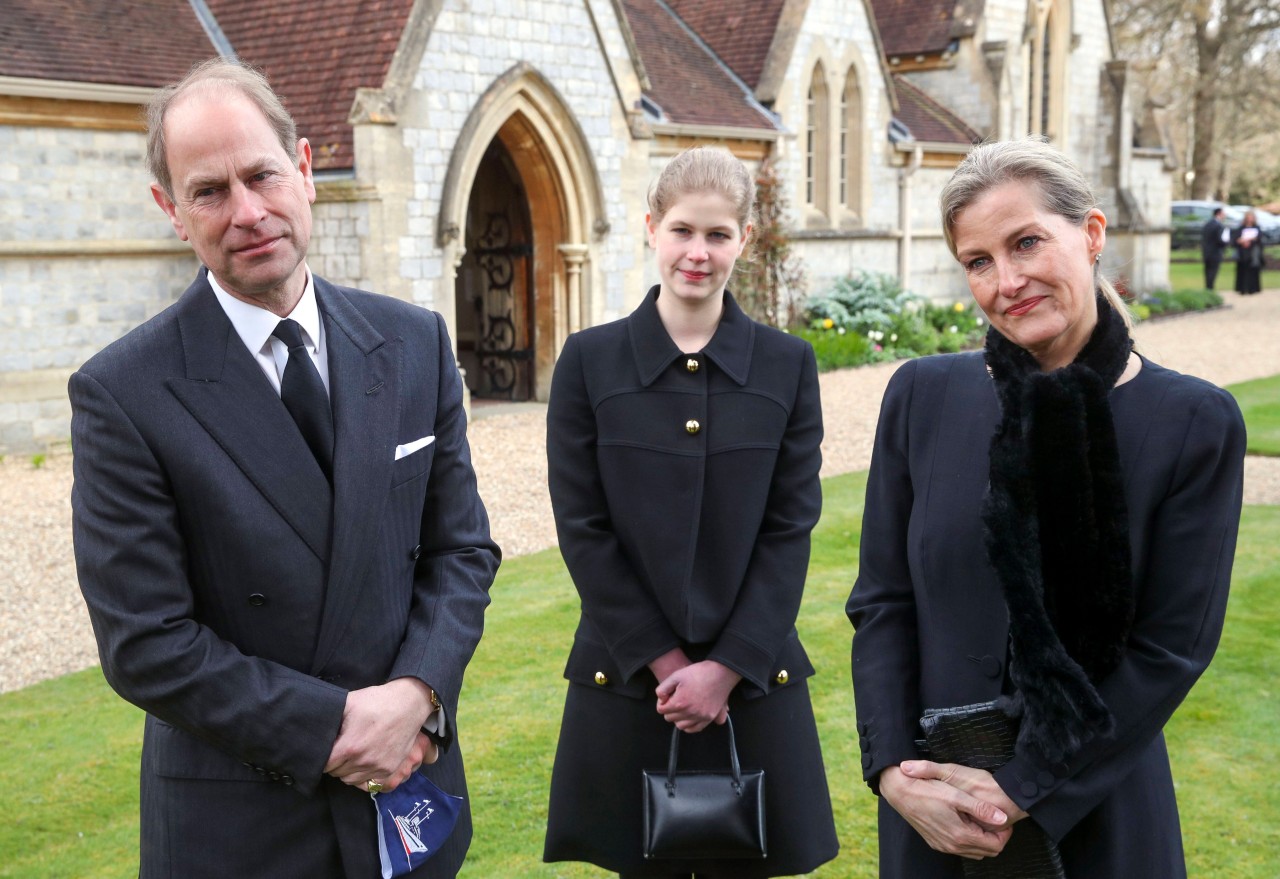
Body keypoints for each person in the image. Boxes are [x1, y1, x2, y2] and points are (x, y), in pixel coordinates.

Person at [69, 59, 499, 879]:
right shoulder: (123, 391)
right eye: (209, 191)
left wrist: (417, 696)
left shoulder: (412, 342)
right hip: (242, 828)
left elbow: (462, 553)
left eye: (262, 174)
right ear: (171, 211)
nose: (247, 211)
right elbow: (146, 643)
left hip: (409, 797)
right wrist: (334, 727)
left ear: (304, 169)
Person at [846, 139, 1245, 877]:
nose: (1008, 280)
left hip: (1097, 812)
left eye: (1027, 241)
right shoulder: (922, 397)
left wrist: (1021, 787)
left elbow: (1170, 648)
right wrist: (894, 770)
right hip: (935, 816)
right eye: (979, 261)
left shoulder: (1194, 420)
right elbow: (882, 602)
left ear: (1091, 234)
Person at [543, 146, 840, 878]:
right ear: (651, 228)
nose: (697, 253)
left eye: (717, 234)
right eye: (681, 230)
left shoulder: (788, 363)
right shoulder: (587, 361)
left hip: (753, 684)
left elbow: (788, 528)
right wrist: (669, 662)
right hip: (631, 683)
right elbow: (583, 528)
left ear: (744, 238)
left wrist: (727, 667)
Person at [1232, 209, 1266, 294]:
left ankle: (1253, 288)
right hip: (1243, 252)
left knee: (1253, 269)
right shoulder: (1241, 228)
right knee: (1242, 270)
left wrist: (1250, 240)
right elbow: (1235, 239)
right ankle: (1242, 288)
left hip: (1253, 252)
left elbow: (1260, 239)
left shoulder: (1257, 228)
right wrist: (1241, 241)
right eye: (1248, 217)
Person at [1200, 205, 1229, 289]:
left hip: (1206, 252)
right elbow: (1220, 240)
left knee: (1207, 272)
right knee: (1213, 272)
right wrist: (1226, 243)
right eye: (1224, 213)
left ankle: (1208, 289)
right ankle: (1210, 289)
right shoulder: (1219, 226)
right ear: (1219, 213)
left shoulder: (1207, 224)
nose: (1225, 215)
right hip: (1215, 252)